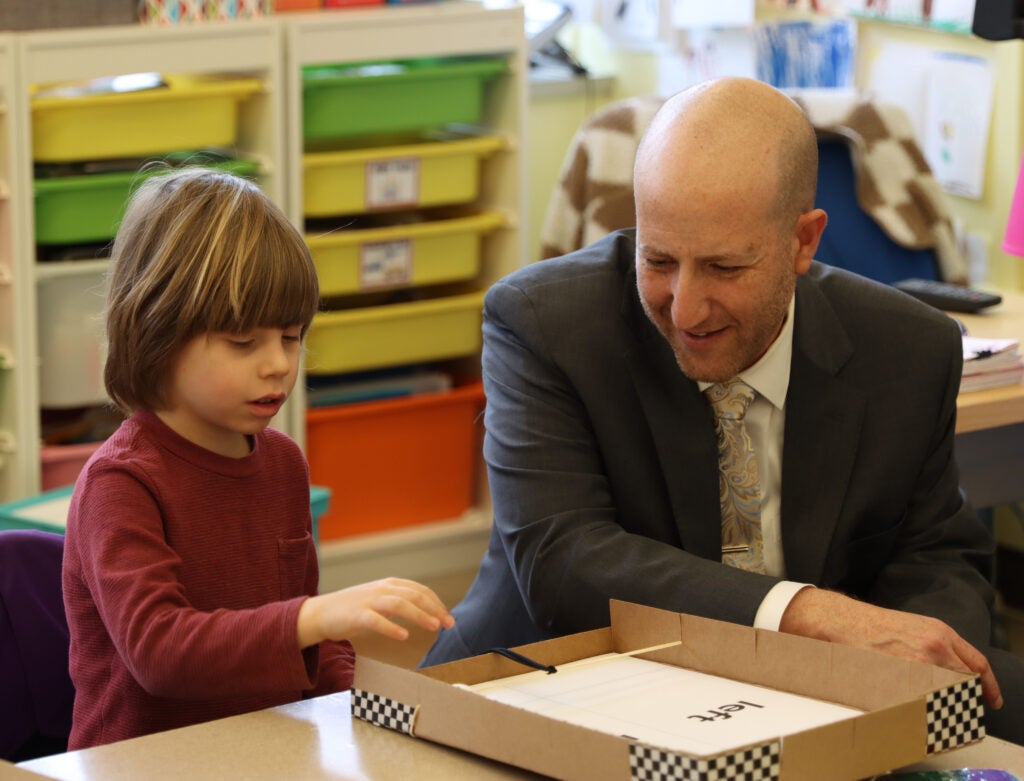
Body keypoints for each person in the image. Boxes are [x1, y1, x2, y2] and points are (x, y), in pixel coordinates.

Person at [422, 77, 1023, 743]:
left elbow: (936, 553)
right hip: (555, 690)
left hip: (800, 707)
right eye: (658, 259)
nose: (684, 308)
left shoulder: (907, 348)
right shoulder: (543, 322)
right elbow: (564, 559)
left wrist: (918, 667)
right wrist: (806, 615)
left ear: (803, 241)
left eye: (724, 267)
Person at [62, 167, 454, 750]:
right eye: (243, 342)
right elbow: (160, 653)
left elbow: (316, 648)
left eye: (291, 337)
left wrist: (369, 713)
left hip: (263, 751)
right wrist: (317, 617)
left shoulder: (283, 465)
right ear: (157, 332)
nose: (278, 365)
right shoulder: (120, 483)